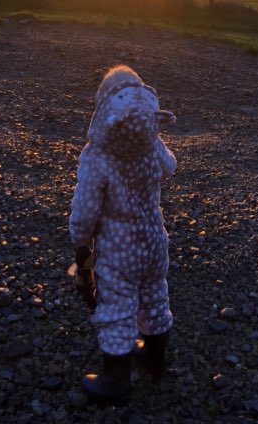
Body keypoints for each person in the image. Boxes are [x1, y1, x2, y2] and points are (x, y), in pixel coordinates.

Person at [69, 65, 177, 406]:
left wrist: (80, 243)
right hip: (153, 240)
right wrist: (150, 140)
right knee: (155, 296)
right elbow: (170, 166)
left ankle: (116, 381)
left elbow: (85, 211)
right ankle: (154, 360)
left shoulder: (97, 155)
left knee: (116, 307)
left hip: (118, 249)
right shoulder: (152, 144)